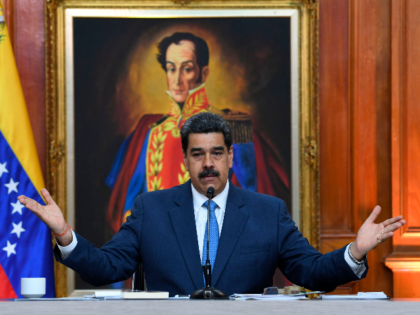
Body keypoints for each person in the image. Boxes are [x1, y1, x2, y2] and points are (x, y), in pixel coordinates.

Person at [18, 112, 406, 297]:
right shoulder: (151, 209)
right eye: (198, 154)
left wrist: (355, 251)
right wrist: (66, 235)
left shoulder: (267, 211)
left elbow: (309, 270)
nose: (208, 164)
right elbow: (106, 267)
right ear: (185, 159)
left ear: (230, 157)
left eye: (217, 153)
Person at [106, 32, 290, 233]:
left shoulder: (233, 128)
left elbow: (251, 200)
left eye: (186, 69)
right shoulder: (149, 132)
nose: (177, 80)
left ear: (203, 74)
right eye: (171, 68)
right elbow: (131, 206)